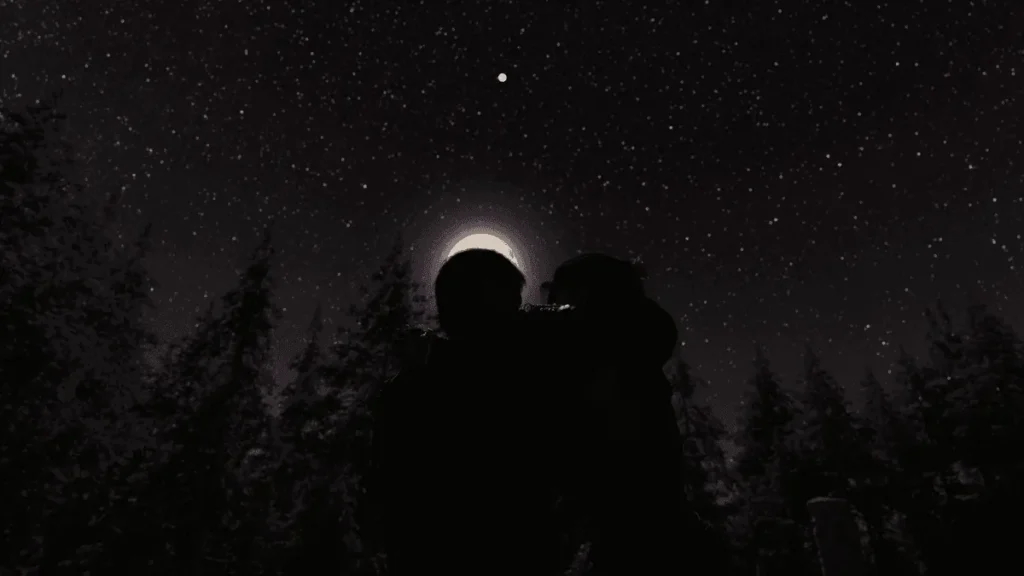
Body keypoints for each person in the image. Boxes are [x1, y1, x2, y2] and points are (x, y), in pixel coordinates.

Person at [367, 249, 564, 576]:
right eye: (511, 307)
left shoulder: (409, 390)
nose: (520, 317)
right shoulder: (511, 390)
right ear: (488, 310)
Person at [541, 253, 685, 576]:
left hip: (628, 529)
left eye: (564, 300)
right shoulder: (626, 350)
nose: (555, 309)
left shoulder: (612, 364)